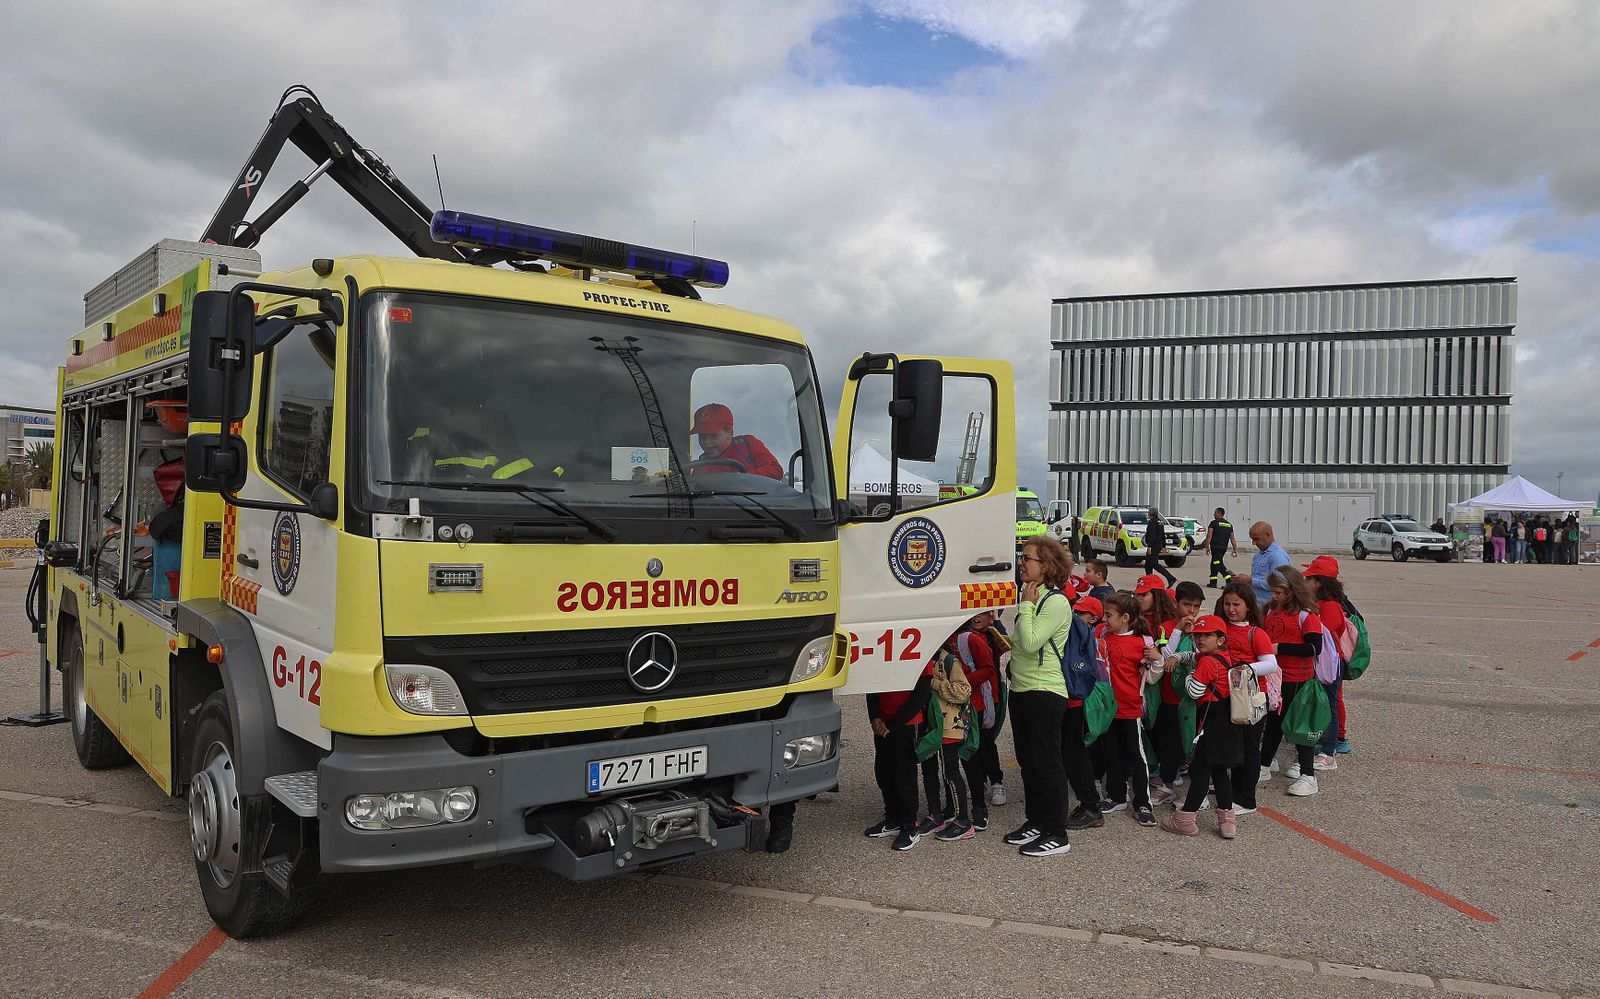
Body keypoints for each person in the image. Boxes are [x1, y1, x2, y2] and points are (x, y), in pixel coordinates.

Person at [1001, 536, 1078, 857]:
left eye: (1027, 558)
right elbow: (1022, 642)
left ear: (1046, 566)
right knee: (1028, 762)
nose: (1021, 562)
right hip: (1021, 689)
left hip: (1045, 692)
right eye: (1022, 557)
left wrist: (1027, 607)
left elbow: (1031, 642)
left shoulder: (1055, 601)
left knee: (1047, 764)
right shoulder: (1033, 596)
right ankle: (1036, 820)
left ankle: (1056, 833)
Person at [1158, 615, 1243, 839]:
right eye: (1198, 635)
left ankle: (1185, 819)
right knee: (1220, 772)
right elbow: (1190, 656)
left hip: (1211, 724)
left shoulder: (1207, 662)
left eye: (1207, 635)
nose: (1200, 639)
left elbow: (1194, 691)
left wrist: (1189, 676)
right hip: (1228, 723)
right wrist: (1178, 657)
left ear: (1221, 639)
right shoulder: (1223, 657)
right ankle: (1228, 823)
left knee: (1200, 772)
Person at [1258, 566, 1325, 797]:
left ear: (1292, 590)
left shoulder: (1306, 614)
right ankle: (1265, 764)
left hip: (1298, 678)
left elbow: (1315, 647)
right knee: (1273, 724)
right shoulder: (1270, 611)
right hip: (1275, 678)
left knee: (1300, 726)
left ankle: (1308, 775)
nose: (1275, 596)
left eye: (1279, 592)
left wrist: (1279, 648)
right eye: (1273, 592)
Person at [1097, 592, 1160, 827]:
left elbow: (1153, 677)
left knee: (1137, 756)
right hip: (1108, 709)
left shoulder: (1142, 641)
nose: (1104, 619)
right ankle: (1116, 795)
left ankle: (1143, 802)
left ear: (1124, 618)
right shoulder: (1104, 635)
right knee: (1110, 752)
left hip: (1131, 708)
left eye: (1109, 615)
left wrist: (1158, 659)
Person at [1215, 581, 1277, 816]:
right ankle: (1232, 792)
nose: (1231, 609)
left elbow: (1271, 664)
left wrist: (1244, 668)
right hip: (1224, 697)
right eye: (1227, 604)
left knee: (1249, 748)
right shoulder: (1220, 628)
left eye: (1236, 605)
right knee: (1233, 748)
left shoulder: (1256, 633)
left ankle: (1247, 798)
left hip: (1250, 699)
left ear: (1248, 607)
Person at [866, 659, 934, 851]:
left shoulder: (922, 652)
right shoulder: (884, 650)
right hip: (883, 724)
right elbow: (871, 683)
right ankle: (893, 818)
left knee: (904, 776)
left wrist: (892, 724)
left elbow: (920, 695)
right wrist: (875, 717)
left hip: (906, 724)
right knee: (884, 772)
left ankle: (909, 825)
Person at [949, 612, 1004, 830]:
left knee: (979, 748)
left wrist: (962, 684)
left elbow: (988, 668)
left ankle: (981, 804)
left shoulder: (970, 639)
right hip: (952, 706)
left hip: (975, 705)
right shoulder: (943, 640)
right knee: (964, 755)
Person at [1133, 575, 1184, 804]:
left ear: (1158, 596)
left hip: (1167, 685)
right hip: (1148, 682)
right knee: (1150, 726)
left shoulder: (1169, 622)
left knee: (1165, 729)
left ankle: (1168, 773)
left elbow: (1170, 653)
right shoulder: (1136, 616)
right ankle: (1155, 768)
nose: (1139, 597)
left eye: (1144, 594)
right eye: (1138, 593)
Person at [923, 642, 978, 841]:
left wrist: (936, 683)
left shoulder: (948, 660)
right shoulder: (920, 658)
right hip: (928, 724)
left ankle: (963, 820)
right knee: (928, 769)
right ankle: (935, 814)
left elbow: (964, 690)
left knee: (950, 771)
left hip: (949, 724)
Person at [1305, 556, 1359, 758]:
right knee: (1328, 700)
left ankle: (1332, 745)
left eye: (1308, 578)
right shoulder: (1321, 603)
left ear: (1318, 582)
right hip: (1325, 661)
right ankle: (1329, 738)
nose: (1305, 581)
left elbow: (1321, 634)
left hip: (1330, 663)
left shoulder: (1331, 607)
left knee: (1331, 702)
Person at [689, 403, 782, 479]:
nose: (706, 442)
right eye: (702, 436)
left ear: (729, 432)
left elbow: (775, 470)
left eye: (713, 435)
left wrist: (742, 479)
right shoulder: (701, 466)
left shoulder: (747, 444)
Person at [1248, 522, 1290, 609]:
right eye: (1252, 539)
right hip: (1257, 606)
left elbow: (1280, 584)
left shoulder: (1277, 556)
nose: (1254, 543)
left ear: (1267, 535)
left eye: (1256, 539)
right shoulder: (1259, 555)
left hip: (1270, 608)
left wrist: (1251, 581)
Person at [1144, 507, 1177, 587]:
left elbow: (1151, 535)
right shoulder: (1160, 522)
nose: (1148, 513)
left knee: (1154, 563)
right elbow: (1162, 534)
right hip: (1158, 545)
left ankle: (1170, 578)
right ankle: (1149, 581)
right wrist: (1164, 546)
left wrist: (1149, 546)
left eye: (1149, 512)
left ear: (1151, 513)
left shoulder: (1152, 522)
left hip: (1153, 545)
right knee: (1148, 564)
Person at [1206, 507, 1239, 588]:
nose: (1213, 514)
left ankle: (1229, 579)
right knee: (1214, 563)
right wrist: (1235, 549)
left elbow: (1209, 535)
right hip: (1223, 547)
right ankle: (1213, 582)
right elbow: (1232, 538)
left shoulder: (1213, 523)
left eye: (1215, 512)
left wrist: (1207, 546)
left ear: (1219, 513)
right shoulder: (1229, 525)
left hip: (1215, 547)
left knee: (1217, 563)